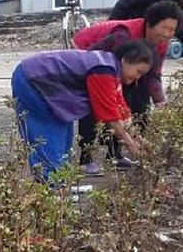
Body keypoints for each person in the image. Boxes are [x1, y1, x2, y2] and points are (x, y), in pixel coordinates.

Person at [11, 40, 153, 180]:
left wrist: (141, 141)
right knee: (48, 136)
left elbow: (122, 110)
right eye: (138, 71)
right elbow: (110, 117)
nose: (137, 78)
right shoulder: (103, 70)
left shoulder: (112, 70)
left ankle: (61, 183)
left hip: (47, 84)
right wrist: (130, 144)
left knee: (64, 138)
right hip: (32, 80)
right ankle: (51, 185)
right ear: (125, 60)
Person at [73, 1, 182, 173]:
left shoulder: (162, 43)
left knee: (135, 103)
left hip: (120, 67)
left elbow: (153, 75)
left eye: (172, 29)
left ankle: (115, 155)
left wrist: (161, 103)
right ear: (149, 23)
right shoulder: (124, 35)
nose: (168, 34)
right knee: (94, 103)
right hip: (90, 52)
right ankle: (85, 158)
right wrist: (127, 137)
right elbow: (100, 64)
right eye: (164, 27)